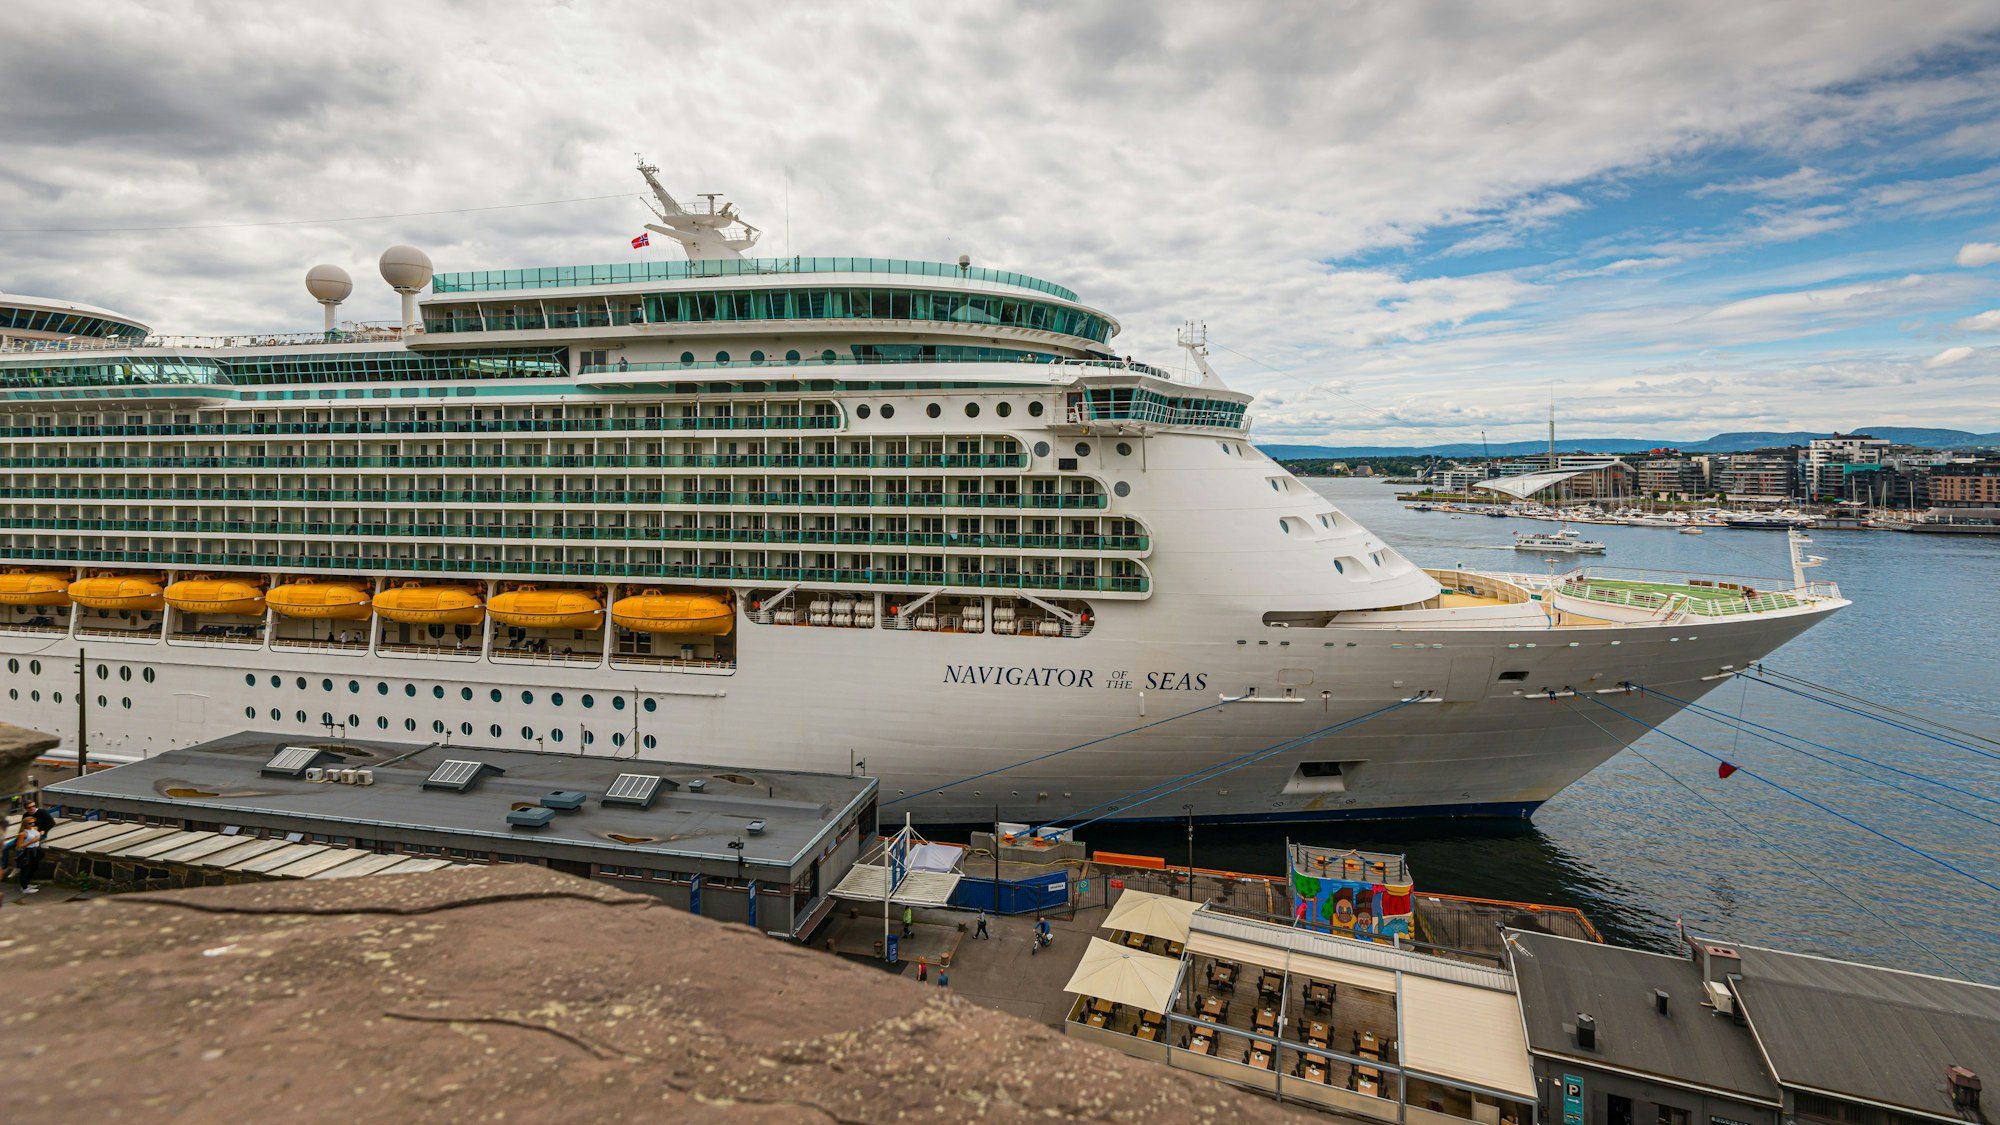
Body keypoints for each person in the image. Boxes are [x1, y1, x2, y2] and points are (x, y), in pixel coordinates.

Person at [15, 814, 45, 894]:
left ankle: (27, 884)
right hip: (28, 851)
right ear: (25, 824)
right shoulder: (23, 834)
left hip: (36, 849)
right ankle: (24, 887)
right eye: (30, 823)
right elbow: (19, 846)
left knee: (34, 867)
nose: (32, 824)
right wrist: (31, 842)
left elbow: (37, 835)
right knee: (26, 869)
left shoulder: (34, 829)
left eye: (33, 822)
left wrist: (41, 833)